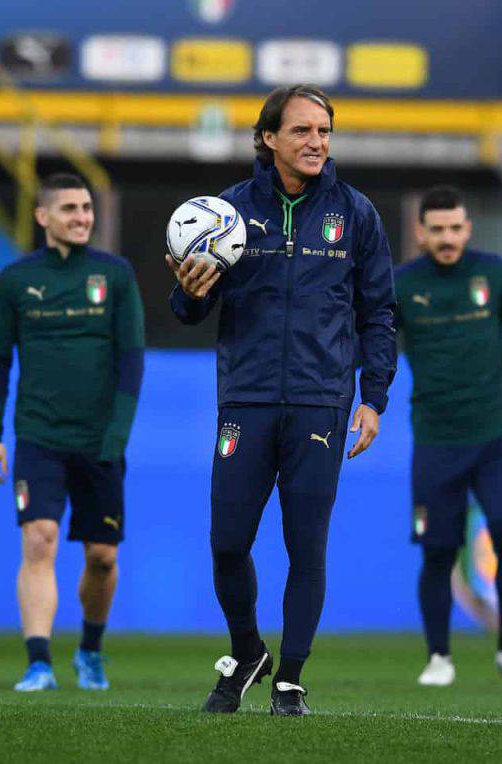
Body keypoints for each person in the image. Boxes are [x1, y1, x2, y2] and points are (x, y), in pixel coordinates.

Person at [166, 84, 396, 716]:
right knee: (227, 543)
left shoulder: (355, 214)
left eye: (324, 131)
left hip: (323, 403)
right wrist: (186, 290)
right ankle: (247, 650)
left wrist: (372, 397)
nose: (316, 142)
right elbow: (191, 310)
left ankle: (290, 677)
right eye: (301, 131)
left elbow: (380, 314)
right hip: (246, 399)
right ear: (268, 138)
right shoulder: (227, 213)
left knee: (306, 546)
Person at [0, 173, 145, 692]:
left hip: (100, 442)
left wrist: (118, 432)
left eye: (87, 208)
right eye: (70, 208)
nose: (82, 217)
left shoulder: (115, 275)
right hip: (39, 437)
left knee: (102, 557)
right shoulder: (14, 280)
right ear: (42, 217)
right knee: (40, 539)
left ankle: (90, 651)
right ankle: (38, 663)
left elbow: (132, 359)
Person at [394, 186, 502, 687]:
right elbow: (369, 344)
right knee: (438, 550)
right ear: (420, 233)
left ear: (468, 228)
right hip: (435, 439)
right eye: (436, 229)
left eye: (455, 228)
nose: (447, 238)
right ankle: (439, 657)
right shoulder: (401, 285)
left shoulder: (493, 273)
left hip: (496, 438)